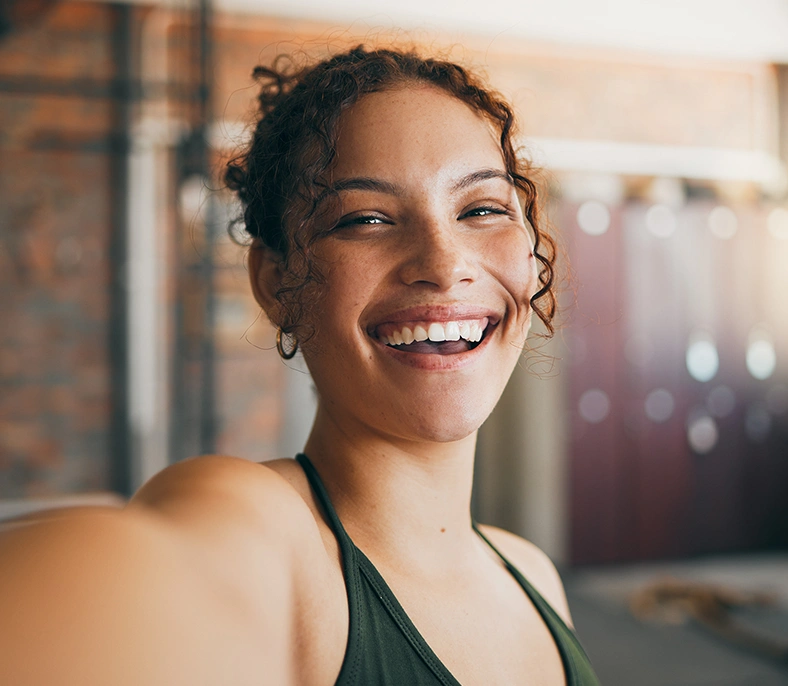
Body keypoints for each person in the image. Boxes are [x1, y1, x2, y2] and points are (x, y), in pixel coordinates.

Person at [0, 46, 600, 685]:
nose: (445, 262)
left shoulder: (532, 573)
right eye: (365, 219)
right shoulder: (261, 531)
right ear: (277, 282)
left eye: (482, 209)